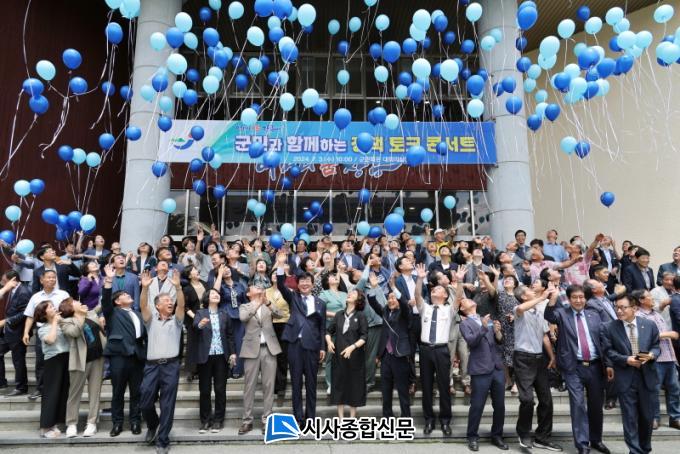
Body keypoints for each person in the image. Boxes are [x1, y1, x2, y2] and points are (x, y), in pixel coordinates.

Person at [544, 285, 610, 454]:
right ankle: (582, 444)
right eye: (575, 297)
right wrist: (553, 297)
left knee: (596, 405)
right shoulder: (562, 313)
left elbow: (604, 340)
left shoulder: (594, 315)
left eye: (581, 297)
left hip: (595, 366)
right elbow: (549, 315)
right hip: (573, 367)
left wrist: (608, 364)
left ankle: (596, 440)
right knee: (578, 404)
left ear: (585, 298)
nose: (579, 300)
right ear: (569, 299)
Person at [600, 294, 660, 454]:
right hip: (626, 378)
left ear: (634, 308)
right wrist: (626, 359)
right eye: (617, 307)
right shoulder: (609, 327)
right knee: (630, 418)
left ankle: (644, 448)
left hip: (646, 377)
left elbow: (656, 346)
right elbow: (608, 351)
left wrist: (651, 355)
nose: (619, 311)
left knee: (647, 417)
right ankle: (635, 451)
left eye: (623, 307)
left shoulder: (649, 325)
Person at [275, 252, 326, 427]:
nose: (304, 284)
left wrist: (322, 347)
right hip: (295, 346)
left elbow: (322, 327)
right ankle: (298, 418)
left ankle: (311, 418)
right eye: (302, 281)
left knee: (311, 384)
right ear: (298, 284)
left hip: (312, 346)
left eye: (307, 281)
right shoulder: (293, 297)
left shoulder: (320, 303)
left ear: (312, 284)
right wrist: (280, 264)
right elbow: (281, 285)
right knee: (296, 384)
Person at [414, 263, 464, 436]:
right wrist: (420, 279)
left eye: (439, 289)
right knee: (426, 387)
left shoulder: (448, 310)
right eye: (433, 289)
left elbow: (458, 298)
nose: (435, 290)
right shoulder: (425, 308)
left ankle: (445, 421)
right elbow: (417, 295)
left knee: (444, 387)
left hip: (442, 350)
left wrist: (459, 281)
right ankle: (428, 420)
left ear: (445, 295)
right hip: (425, 350)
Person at [139, 269, 185, 454]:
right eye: (166, 300)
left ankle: (163, 440)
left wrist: (178, 288)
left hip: (171, 366)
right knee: (145, 401)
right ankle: (153, 424)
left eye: (171, 300)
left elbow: (181, 306)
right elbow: (143, 306)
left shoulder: (177, 321)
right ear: (157, 305)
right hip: (151, 366)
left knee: (167, 404)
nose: (170, 302)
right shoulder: (150, 320)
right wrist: (145, 289)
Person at [512, 284, 561, 451]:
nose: (533, 291)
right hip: (523, 359)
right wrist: (542, 297)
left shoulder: (540, 311)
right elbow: (521, 308)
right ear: (524, 297)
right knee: (527, 400)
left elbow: (544, 336)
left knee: (546, 400)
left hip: (539, 358)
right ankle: (523, 433)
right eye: (530, 291)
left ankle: (542, 437)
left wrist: (552, 356)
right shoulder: (519, 309)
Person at [101, 264, 146, 437]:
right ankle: (117, 423)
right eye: (125, 295)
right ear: (118, 301)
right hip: (119, 356)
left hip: (137, 356)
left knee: (137, 392)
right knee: (118, 392)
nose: (129, 295)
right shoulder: (112, 312)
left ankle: (135, 421)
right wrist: (109, 280)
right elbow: (105, 301)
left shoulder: (138, 314)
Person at [459, 297, 507, 452]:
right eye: (465, 300)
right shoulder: (464, 323)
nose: (469, 300)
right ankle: (472, 436)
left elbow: (499, 341)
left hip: (496, 367)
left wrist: (498, 332)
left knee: (499, 405)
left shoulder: (486, 318)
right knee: (477, 405)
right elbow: (472, 342)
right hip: (480, 368)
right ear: (462, 308)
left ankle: (497, 436)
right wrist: (484, 328)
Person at [631, 290, 680, 430]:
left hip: (669, 357)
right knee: (653, 390)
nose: (652, 299)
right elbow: (642, 336)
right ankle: (654, 418)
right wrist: (668, 334)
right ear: (641, 300)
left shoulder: (657, 314)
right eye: (649, 297)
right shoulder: (638, 316)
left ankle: (675, 418)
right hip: (654, 359)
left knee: (674, 389)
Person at [366, 273, 412, 418]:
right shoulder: (385, 312)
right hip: (386, 356)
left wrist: (393, 288)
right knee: (386, 390)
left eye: (393, 298)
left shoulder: (405, 313)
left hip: (400, 355)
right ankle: (387, 417)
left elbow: (403, 303)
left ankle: (406, 418)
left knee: (403, 390)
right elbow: (372, 301)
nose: (391, 300)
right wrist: (373, 287)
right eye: (389, 298)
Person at [238, 285, 282, 434]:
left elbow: (280, 314)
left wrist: (267, 303)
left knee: (269, 386)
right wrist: (257, 304)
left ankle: (267, 420)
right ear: (248, 293)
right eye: (255, 287)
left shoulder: (267, 304)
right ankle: (247, 421)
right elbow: (243, 318)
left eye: (260, 287)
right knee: (249, 386)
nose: (259, 288)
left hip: (269, 348)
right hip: (251, 350)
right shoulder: (245, 306)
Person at [22, 270, 71, 400]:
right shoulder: (36, 297)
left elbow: (70, 311)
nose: (52, 280)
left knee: (62, 361)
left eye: (54, 277)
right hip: (43, 331)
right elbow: (30, 316)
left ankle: (61, 389)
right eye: (49, 277)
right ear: (41, 280)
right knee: (40, 361)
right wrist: (26, 332)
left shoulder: (63, 294)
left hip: (62, 331)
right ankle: (40, 388)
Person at [61, 298, 106, 438]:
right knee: (74, 394)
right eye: (75, 302)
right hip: (79, 360)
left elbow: (102, 305)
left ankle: (92, 423)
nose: (79, 302)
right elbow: (74, 332)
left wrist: (108, 286)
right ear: (70, 307)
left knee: (95, 392)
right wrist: (80, 316)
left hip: (97, 358)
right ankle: (71, 424)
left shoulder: (91, 314)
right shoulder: (66, 321)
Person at [194, 288, 235, 433]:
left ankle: (218, 420)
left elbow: (230, 335)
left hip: (221, 356)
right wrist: (200, 324)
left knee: (220, 389)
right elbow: (195, 326)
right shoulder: (201, 313)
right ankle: (205, 420)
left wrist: (233, 353)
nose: (216, 295)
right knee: (205, 390)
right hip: (205, 356)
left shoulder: (224, 314)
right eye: (212, 293)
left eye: (217, 294)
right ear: (207, 298)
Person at [326, 287, 368, 418]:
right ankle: (340, 419)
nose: (349, 294)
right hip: (338, 357)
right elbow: (328, 331)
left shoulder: (361, 316)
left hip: (355, 358)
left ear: (359, 299)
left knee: (354, 386)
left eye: (354, 293)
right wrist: (329, 342)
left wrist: (352, 347)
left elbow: (364, 337)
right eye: (349, 293)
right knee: (339, 386)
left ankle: (352, 419)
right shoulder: (339, 314)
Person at [34, 300, 70, 438]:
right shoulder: (42, 328)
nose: (54, 308)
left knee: (62, 392)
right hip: (53, 360)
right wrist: (55, 322)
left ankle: (54, 424)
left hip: (66, 358)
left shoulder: (62, 322)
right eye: (50, 307)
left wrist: (60, 321)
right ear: (44, 313)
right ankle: (45, 427)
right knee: (51, 394)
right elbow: (51, 340)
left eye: (53, 305)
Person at [0, 271, 31, 396]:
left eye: (4, 280)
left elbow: (25, 313)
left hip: (18, 332)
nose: (2, 282)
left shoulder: (24, 292)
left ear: (12, 279)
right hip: (9, 332)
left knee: (18, 360)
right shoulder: (12, 290)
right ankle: (1, 382)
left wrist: (7, 321)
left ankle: (21, 387)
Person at [214, 264, 247, 378]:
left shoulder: (239, 285)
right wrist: (219, 275)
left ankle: (237, 370)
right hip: (225, 317)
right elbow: (215, 292)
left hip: (239, 317)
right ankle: (227, 370)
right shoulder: (220, 286)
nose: (227, 271)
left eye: (228, 269)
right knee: (226, 344)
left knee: (239, 343)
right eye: (223, 270)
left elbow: (245, 301)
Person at [318, 272, 347, 396]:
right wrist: (336, 315)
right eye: (332, 276)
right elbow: (320, 310)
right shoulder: (323, 294)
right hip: (331, 328)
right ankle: (330, 383)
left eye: (336, 276)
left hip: (346, 327)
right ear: (327, 281)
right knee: (331, 356)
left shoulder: (345, 294)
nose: (335, 277)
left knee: (345, 355)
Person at [182, 265, 208, 382]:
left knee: (204, 344)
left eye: (196, 269)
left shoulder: (205, 284)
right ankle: (191, 370)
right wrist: (195, 317)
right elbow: (185, 306)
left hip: (206, 318)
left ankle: (202, 369)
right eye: (194, 270)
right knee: (192, 345)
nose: (197, 271)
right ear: (189, 275)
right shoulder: (187, 289)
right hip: (192, 319)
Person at [267, 271, 290, 405]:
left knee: (282, 357)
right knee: (270, 356)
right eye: (273, 273)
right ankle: (271, 385)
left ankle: (281, 387)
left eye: (278, 274)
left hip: (284, 324)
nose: (275, 275)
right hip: (268, 325)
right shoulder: (265, 291)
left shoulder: (288, 291)